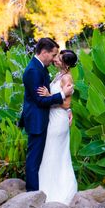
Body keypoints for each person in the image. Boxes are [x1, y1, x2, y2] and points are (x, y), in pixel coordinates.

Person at [19, 38, 74, 192]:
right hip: (37, 120)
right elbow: (39, 100)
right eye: (53, 55)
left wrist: (67, 109)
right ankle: (32, 193)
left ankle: (42, 191)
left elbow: (52, 97)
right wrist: (63, 94)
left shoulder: (42, 67)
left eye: (57, 56)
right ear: (44, 52)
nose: (54, 59)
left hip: (50, 120)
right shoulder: (33, 70)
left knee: (48, 157)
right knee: (34, 160)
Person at [36, 50, 79, 205]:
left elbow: (66, 103)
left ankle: (58, 193)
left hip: (58, 120)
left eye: (59, 59)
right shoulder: (59, 75)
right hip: (53, 118)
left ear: (65, 63)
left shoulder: (67, 78)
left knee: (54, 153)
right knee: (51, 153)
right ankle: (48, 189)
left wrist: (49, 97)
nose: (55, 60)